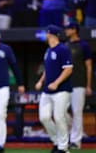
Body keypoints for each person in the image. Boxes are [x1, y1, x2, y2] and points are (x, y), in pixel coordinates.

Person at [35, 24, 73, 153]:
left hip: (62, 90)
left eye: (46, 33)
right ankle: (57, 141)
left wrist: (56, 83)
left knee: (59, 117)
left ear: (51, 34)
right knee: (44, 117)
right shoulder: (48, 50)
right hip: (47, 90)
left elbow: (68, 69)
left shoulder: (63, 49)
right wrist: (41, 81)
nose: (45, 35)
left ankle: (63, 147)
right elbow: (47, 70)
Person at [64, 22, 92, 149]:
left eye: (68, 29)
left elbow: (89, 66)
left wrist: (88, 85)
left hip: (79, 83)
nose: (66, 31)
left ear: (74, 30)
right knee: (61, 111)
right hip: (65, 84)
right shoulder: (65, 45)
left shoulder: (84, 45)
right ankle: (71, 134)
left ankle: (76, 141)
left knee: (77, 112)